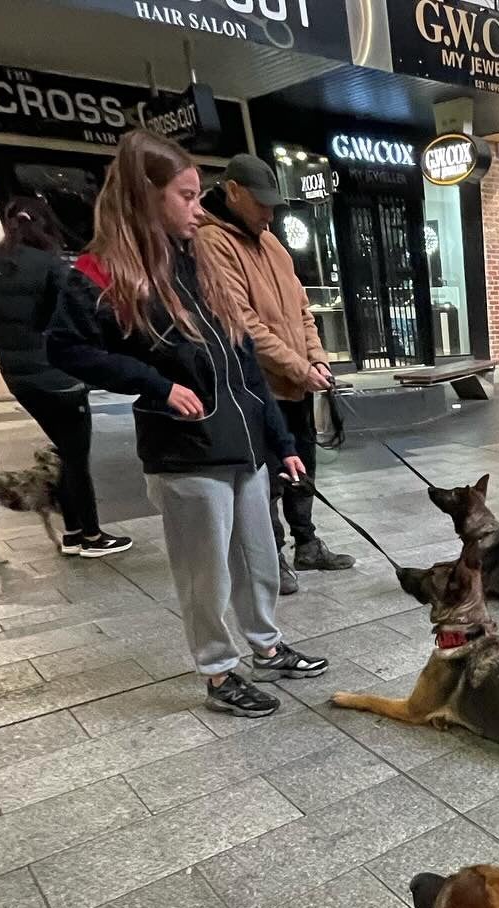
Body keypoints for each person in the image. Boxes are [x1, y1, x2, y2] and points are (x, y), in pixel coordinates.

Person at [48, 130, 326, 719]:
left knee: (257, 556)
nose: (198, 210)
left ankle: (266, 646)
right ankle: (220, 673)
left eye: (198, 196)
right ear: (145, 195)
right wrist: (155, 385)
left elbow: (242, 359)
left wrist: (279, 441)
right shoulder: (101, 271)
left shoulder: (196, 260)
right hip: (185, 453)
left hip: (244, 444)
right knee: (206, 573)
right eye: (187, 196)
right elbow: (67, 349)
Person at [192, 154, 352, 596]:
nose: (268, 212)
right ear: (233, 192)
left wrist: (317, 360)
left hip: (296, 386)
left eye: (273, 204)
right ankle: (272, 555)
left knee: (304, 467)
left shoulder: (273, 243)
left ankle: (307, 543)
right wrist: (299, 368)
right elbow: (243, 325)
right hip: (257, 390)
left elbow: (303, 310)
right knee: (271, 479)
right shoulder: (212, 243)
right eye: (260, 203)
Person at [0, 197, 129, 557]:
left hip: (19, 376)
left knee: (64, 452)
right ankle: (91, 536)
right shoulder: (51, 266)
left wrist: (8, 354)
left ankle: (72, 532)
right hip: (60, 377)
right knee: (75, 458)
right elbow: (70, 325)